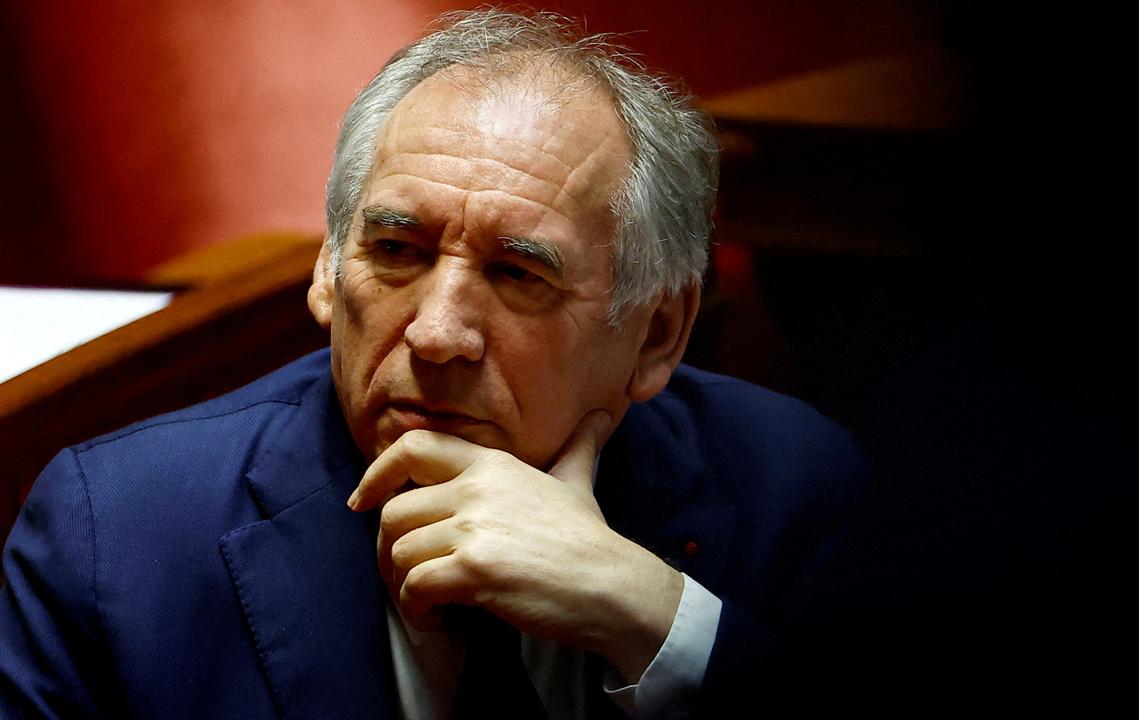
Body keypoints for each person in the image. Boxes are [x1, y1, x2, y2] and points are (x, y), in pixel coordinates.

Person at [0, 9, 869, 719]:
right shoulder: (115, 536)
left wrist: (651, 616)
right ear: (328, 272)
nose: (437, 333)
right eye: (396, 250)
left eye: (518, 273)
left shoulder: (791, 489)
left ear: (656, 336)